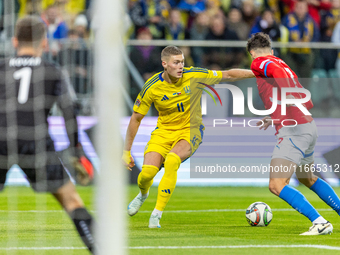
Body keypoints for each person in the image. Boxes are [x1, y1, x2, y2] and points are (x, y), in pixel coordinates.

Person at [122, 45, 254, 228]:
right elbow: (136, 119)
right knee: (146, 174)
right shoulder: (152, 87)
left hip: (190, 130)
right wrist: (126, 151)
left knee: (172, 161)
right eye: (176, 63)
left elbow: (228, 75)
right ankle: (143, 194)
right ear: (165, 64)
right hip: (163, 132)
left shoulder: (194, 75)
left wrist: (257, 72)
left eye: (182, 62)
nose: (180, 66)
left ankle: (156, 214)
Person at [0, 16, 95, 252]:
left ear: (14, 41)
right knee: (72, 201)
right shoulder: (52, 71)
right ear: (44, 42)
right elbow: (68, 112)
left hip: (2, 139)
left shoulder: (2, 68)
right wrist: (75, 150)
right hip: (36, 142)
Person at [247, 32, 340, 235]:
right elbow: (302, 97)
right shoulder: (282, 63)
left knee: (276, 184)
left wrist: (281, 114)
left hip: (294, 130)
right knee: (307, 177)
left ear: (253, 54)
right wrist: (277, 115)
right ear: (272, 50)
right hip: (308, 125)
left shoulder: (260, 63)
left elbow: (282, 83)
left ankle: (319, 222)